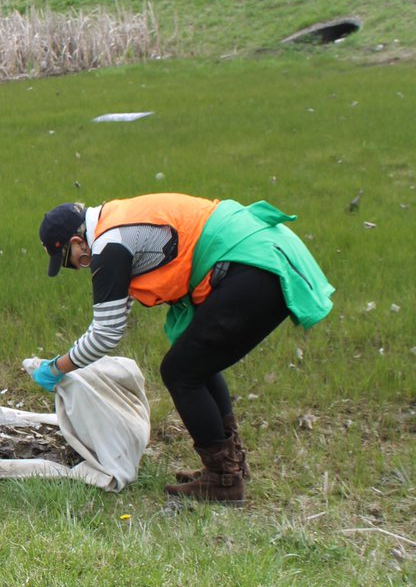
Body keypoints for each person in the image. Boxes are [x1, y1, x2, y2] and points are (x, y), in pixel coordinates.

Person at [32, 193, 334, 503]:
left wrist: (56, 368)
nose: (81, 267)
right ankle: (230, 465)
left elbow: (106, 334)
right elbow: (116, 314)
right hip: (262, 249)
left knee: (180, 372)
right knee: (196, 362)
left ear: (77, 242)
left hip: (254, 262)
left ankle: (224, 480)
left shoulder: (110, 245)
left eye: (71, 261)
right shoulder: (115, 220)